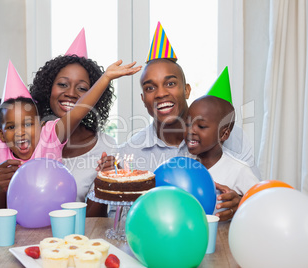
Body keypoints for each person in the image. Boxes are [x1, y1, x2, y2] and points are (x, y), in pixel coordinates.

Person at [0, 58, 141, 212]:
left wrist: (106, 78)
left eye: (28, 124)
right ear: (2, 135)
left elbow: (81, 108)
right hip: (19, 230)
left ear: (41, 125)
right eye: (11, 127)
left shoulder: (50, 137)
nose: (21, 133)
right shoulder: (2, 145)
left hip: (57, 228)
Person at [98, 22, 261, 221]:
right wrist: (109, 181)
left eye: (170, 83)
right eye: (150, 88)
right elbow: (117, 218)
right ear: (143, 100)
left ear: (187, 90)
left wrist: (240, 203)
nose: (161, 93)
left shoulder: (231, 137)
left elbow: (259, 200)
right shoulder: (128, 153)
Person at [184, 92, 259, 218]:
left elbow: (261, 205)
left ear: (224, 134)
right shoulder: (183, 165)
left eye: (201, 126)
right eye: (187, 124)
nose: (190, 130)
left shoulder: (239, 170)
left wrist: (241, 204)